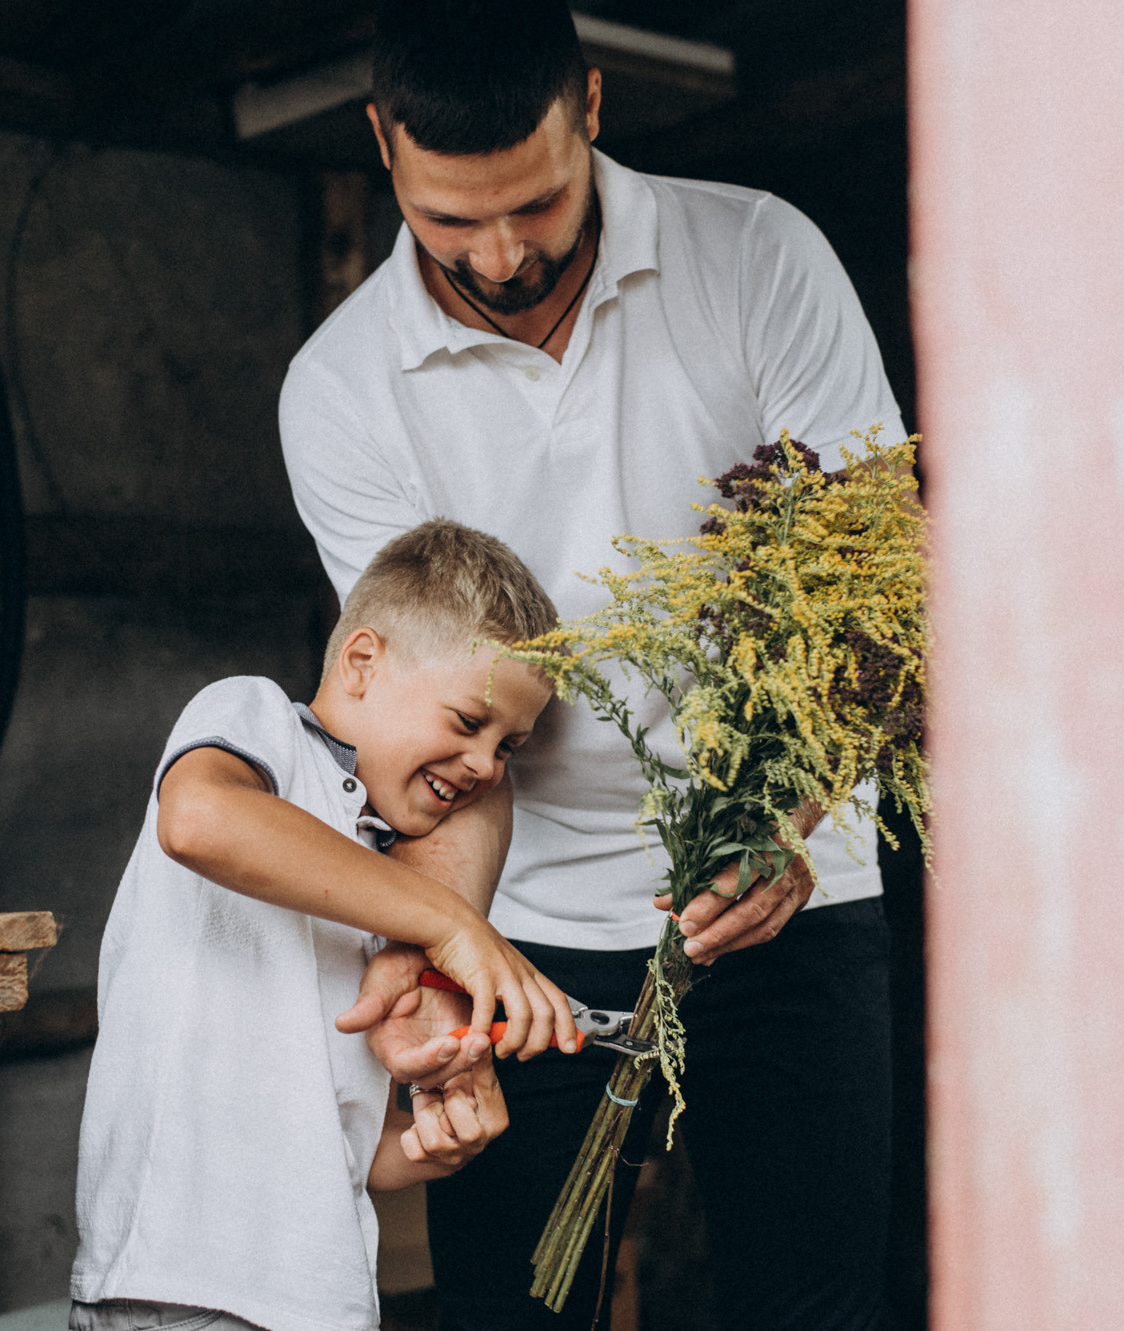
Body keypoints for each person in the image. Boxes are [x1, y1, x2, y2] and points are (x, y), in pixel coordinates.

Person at [280, 3, 906, 1327]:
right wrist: (443, 936)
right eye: (452, 222)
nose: (501, 255)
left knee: (819, 1304)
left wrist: (776, 816)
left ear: (594, 110)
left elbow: (870, 596)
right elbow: (435, 739)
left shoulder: (760, 258)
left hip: (794, 886)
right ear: (382, 143)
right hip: (525, 925)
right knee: (510, 1307)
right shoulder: (339, 391)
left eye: (538, 204)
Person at [69, 520, 582, 1331]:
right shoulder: (257, 719)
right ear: (362, 662)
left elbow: (341, 1145)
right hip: (185, 1288)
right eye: (466, 721)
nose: (486, 764)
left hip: (318, 1298)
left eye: (509, 746)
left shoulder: (378, 868)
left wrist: (428, 1143)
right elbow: (197, 818)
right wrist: (450, 921)